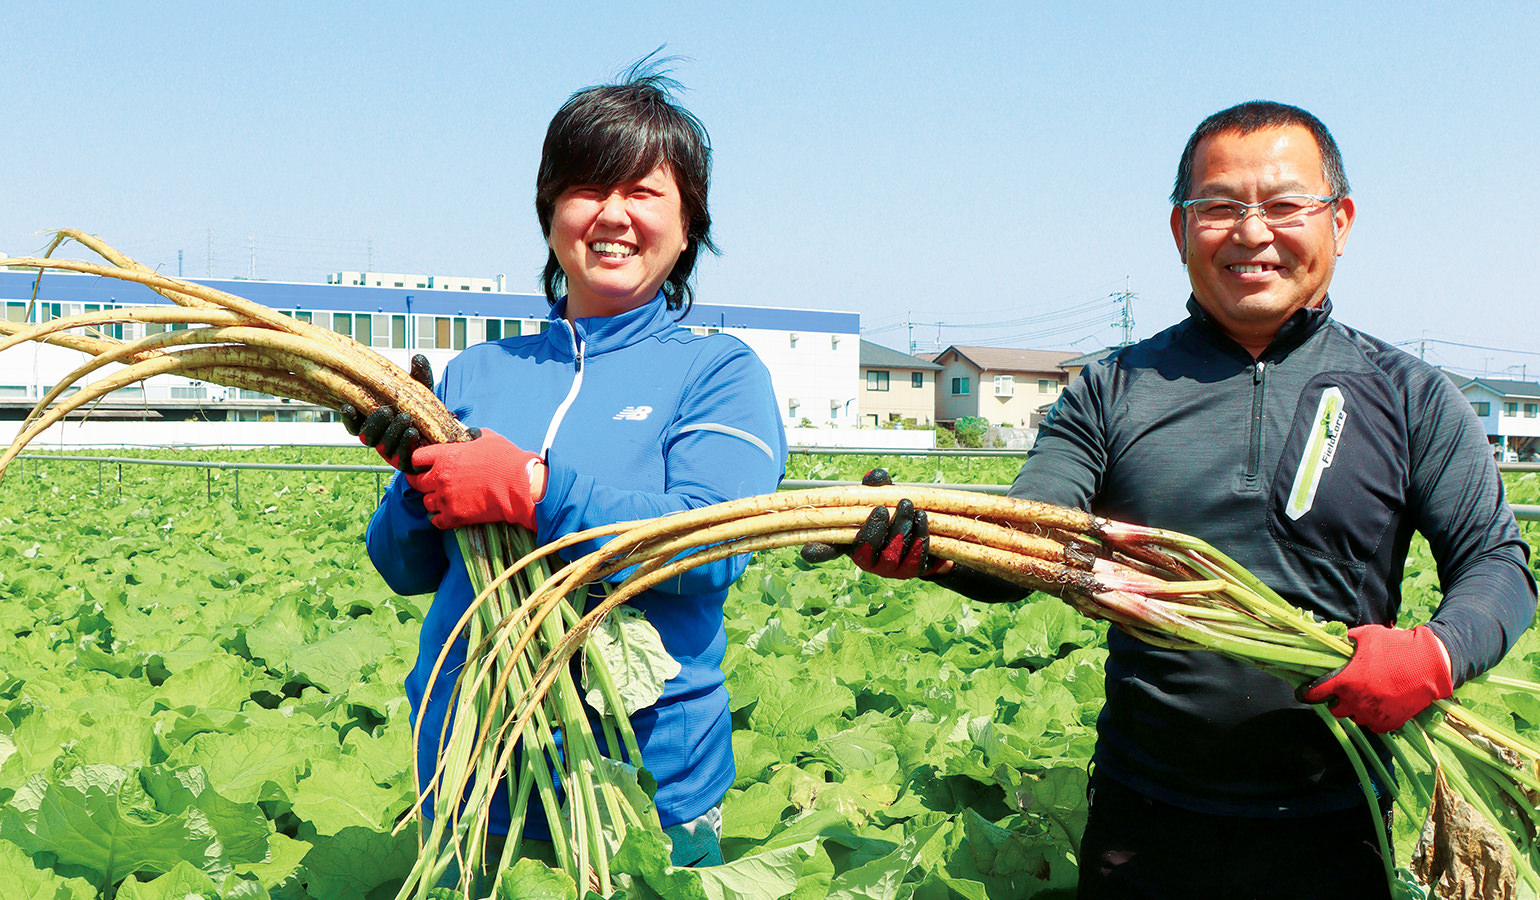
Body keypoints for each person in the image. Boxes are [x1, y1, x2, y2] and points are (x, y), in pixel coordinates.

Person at [820, 101, 1536, 898]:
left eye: (1285, 205)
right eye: (1220, 208)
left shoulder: (1409, 395)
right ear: (1179, 229)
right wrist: (932, 548)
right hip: (1146, 819)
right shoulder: (1112, 388)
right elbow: (1033, 538)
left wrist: (1433, 655)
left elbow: (1498, 563)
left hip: (1335, 820)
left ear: (1340, 221)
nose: (1253, 232)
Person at [346, 63, 788, 875]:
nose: (613, 214)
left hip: (639, 790)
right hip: (468, 774)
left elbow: (714, 545)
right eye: (587, 188)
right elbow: (402, 567)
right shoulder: (477, 372)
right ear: (551, 212)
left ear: (689, 226)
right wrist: (418, 484)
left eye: (645, 193)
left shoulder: (719, 373)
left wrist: (535, 491)